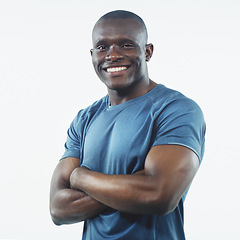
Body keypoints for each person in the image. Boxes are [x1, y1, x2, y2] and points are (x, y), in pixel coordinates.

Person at [49, 10, 206, 240]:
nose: (112, 55)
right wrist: (133, 186)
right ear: (92, 54)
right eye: (102, 47)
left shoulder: (176, 110)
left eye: (126, 45)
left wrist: (80, 178)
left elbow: (160, 195)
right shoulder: (84, 119)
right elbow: (58, 208)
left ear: (147, 51)